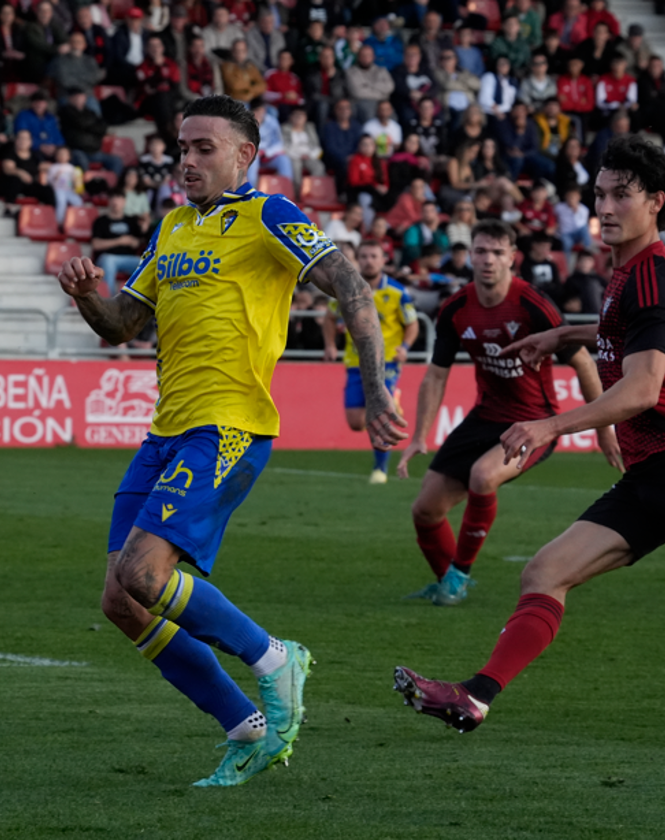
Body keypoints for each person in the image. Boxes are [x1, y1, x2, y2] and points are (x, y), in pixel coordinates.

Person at [393, 133, 665, 735]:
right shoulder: (628, 272)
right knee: (544, 573)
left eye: (620, 195)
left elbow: (643, 388)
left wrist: (551, 422)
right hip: (650, 467)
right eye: (598, 194)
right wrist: (567, 335)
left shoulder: (652, 276)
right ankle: (474, 696)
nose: (604, 207)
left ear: (655, 201)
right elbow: (624, 342)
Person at [54, 94, 404, 787]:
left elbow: (351, 288)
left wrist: (380, 386)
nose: (187, 159)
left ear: (245, 155)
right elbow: (122, 325)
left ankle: (277, 659)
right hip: (167, 430)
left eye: (204, 147)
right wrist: (88, 295)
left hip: (230, 424)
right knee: (120, 602)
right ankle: (246, 728)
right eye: (182, 147)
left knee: (144, 575)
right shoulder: (174, 229)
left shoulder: (268, 216)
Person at [395, 219, 616, 604]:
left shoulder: (533, 305)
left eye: (497, 252)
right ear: (470, 256)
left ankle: (458, 578)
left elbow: (583, 363)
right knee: (425, 510)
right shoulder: (457, 308)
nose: (488, 260)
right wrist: (419, 436)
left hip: (534, 421)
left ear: (512, 258)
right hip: (485, 417)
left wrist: (603, 429)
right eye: (480, 251)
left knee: (483, 475)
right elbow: (435, 376)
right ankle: (450, 581)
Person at [321, 238, 418, 482]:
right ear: (357, 260)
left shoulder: (398, 292)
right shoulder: (346, 288)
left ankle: (380, 469)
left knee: (380, 414)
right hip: (355, 362)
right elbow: (329, 318)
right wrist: (331, 344)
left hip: (386, 363)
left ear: (384, 260)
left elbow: (412, 324)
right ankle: (391, 403)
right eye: (363, 256)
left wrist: (404, 347)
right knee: (356, 422)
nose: (368, 261)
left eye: (374, 256)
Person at [90, 191, 145, 296]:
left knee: (144, 264)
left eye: (119, 199)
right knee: (109, 261)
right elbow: (96, 244)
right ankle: (110, 301)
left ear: (124, 202)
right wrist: (120, 241)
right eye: (113, 199)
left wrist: (134, 242)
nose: (116, 202)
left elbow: (139, 242)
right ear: (109, 201)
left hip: (129, 258)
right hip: (106, 257)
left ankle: (140, 300)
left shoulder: (131, 221)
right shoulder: (101, 221)